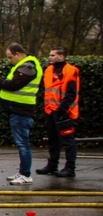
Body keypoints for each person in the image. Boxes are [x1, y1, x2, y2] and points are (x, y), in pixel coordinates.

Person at [0, 43, 42, 185]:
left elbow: (13, 85)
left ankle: (25, 174)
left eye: (10, 57)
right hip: (18, 110)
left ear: (18, 54)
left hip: (21, 111)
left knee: (23, 144)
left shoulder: (27, 67)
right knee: (22, 143)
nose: (9, 61)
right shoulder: (26, 66)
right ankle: (22, 172)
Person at [36, 46, 79, 178]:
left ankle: (70, 168)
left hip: (64, 111)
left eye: (52, 55)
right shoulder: (49, 70)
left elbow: (71, 94)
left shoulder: (71, 71)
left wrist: (62, 109)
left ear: (62, 56)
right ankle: (52, 165)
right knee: (53, 140)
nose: (50, 57)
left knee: (68, 141)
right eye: (50, 55)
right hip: (50, 110)